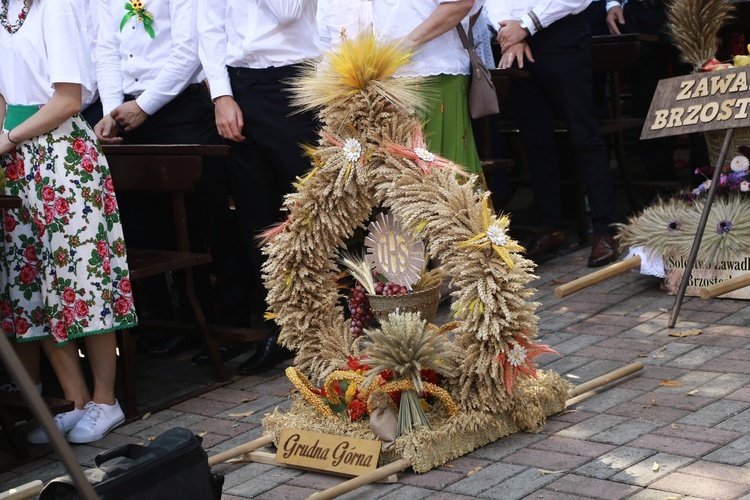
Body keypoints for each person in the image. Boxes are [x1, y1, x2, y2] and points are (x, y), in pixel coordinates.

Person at [0, 0, 137, 444]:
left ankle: (105, 400)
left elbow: (67, 99)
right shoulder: (5, 14)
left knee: (82, 277)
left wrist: (8, 138)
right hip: (16, 157)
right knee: (32, 282)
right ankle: (76, 402)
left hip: (61, 155)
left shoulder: (53, 8)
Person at [94, 0, 250, 359]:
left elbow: (188, 50)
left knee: (209, 221)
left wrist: (145, 105)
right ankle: (188, 325)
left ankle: (232, 323)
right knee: (161, 227)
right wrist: (111, 112)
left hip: (180, 107)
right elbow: (106, 51)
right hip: (130, 113)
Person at [197, 0, 321, 375]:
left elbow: (287, 11)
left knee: (307, 211)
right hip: (238, 87)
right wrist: (221, 95)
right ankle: (281, 328)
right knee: (256, 214)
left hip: (295, 80)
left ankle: (325, 323)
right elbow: (209, 29)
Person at [486, 0, 620, 267]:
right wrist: (510, 33)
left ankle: (607, 231)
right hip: (517, 38)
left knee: (584, 135)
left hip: (561, 36)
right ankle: (551, 228)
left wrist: (526, 25)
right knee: (535, 140)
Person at [372, 0, 484, 176]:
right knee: (399, 177)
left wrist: (407, 43)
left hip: (433, 70)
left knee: (439, 176)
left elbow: (461, 4)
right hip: (387, 72)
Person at [605, 0, 709, 181]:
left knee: (696, 92)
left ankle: (706, 178)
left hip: (685, 8)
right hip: (639, 11)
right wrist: (612, 3)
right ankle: (659, 182)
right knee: (647, 100)